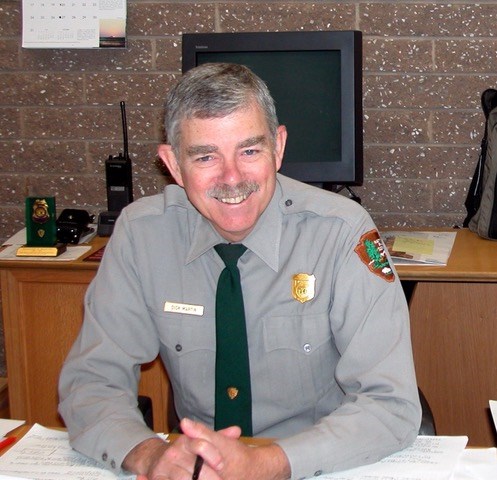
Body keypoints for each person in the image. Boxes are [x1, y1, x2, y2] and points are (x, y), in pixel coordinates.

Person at [58, 62, 421, 480]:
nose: (232, 178)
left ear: (278, 147)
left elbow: (390, 405)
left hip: (316, 467)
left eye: (249, 151)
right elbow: (91, 380)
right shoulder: (142, 236)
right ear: (173, 165)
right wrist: (148, 456)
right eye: (206, 156)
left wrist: (265, 464)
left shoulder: (342, 233)